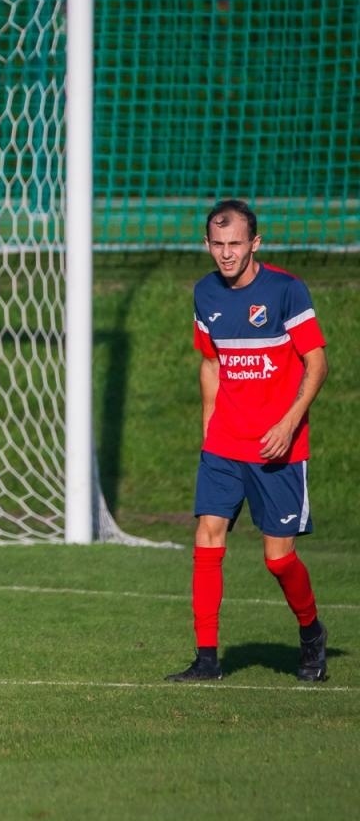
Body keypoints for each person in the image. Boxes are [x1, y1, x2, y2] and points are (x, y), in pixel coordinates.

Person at [169, 199, 329, 683]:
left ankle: (311, 634)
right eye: (217, 244)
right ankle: (207, 660)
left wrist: (289, 423)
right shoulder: (204, 294)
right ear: (207, 244)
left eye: (235, 243)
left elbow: (316, 362)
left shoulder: (285, 290)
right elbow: (212, 363)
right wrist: (208, 431)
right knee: (206, 538)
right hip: (224, 443)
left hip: (277, 447)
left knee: (278, 559)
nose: (226, 253)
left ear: (254, 243)